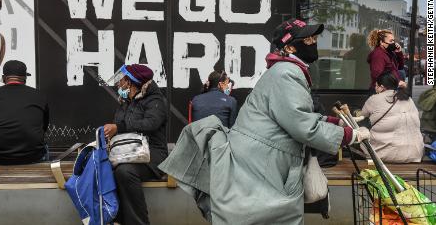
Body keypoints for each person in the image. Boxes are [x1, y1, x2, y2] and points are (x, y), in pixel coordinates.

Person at [159, 19, 371, 224]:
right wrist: (350, 135)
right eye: (307, 40)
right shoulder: (286, 74)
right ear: (289, 48)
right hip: (259, 164)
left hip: (259, 160)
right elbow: (302, 125)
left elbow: (294, 114)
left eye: (314, 39)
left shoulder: (285, 71)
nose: (314, 43)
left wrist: (334, 122)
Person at [103, 64, 168, 225]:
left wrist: (119, 128)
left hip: (152, 154)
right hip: (128, 152)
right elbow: (118, 125)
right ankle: (116, 219)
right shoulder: (126, 102)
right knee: (105, 169)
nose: (119, 84)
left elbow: (151, 124)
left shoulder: (155, 100)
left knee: (125, 171)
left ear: (131, 83)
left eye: (123, 80)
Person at [0, 60, 49, 164]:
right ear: (25, 78)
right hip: (32, 157)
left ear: (4, 78)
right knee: (44, 146)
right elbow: (44, 127)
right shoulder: (39, 96)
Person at [360, 72, 424, 163]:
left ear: (381, 87)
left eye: (376, 85)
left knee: (361, 131)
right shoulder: (408, 99)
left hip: (385, 155)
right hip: (415, 154)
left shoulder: (374, 99)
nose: (375, 88)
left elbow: (362, 117)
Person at [366, 29, 406, 94]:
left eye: (393, 41)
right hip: (381, 92)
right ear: (381, 42)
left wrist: (399, 53)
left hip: (389, 89)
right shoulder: (378, 54)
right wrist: (398, 82)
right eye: (391, 41)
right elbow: (377, 75)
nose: (393, 43)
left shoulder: (389, 53)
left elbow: (400, 67)